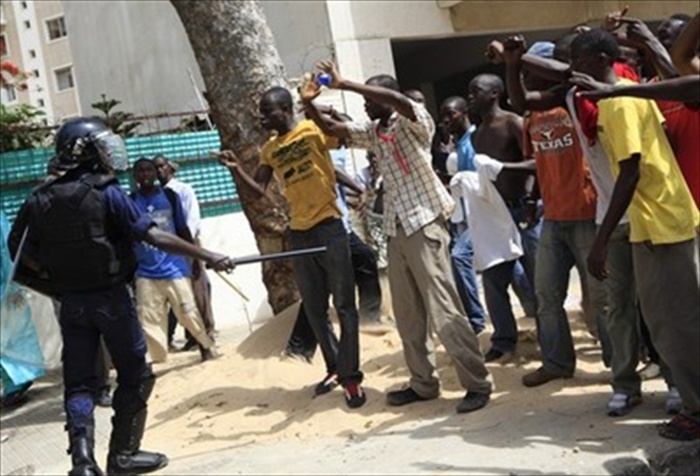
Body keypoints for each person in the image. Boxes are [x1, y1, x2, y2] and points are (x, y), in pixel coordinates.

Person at [8, 117, 235, 474]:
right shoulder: (106, 192)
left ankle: (82, 463)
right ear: (84, 151)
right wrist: (209, 256)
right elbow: (155, 236)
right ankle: (123, 454)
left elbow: (18, 257)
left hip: (72, 306)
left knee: (80, 384)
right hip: (112, 300)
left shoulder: (38, 199)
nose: (108, 152)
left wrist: (59, 289)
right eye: (101, 145)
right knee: (136, 376)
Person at [301, 62, 492, 414]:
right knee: (408, 316)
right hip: (396, 227)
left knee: (444, 309)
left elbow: (399, 102)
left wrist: (347, 84)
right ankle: (423, 383)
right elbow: (332, 127)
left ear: (386, 98)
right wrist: (309, 102)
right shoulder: (375, 131)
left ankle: (477, 383)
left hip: (424, 223)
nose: (365, 106)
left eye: (371, 100)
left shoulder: (414, 121)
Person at [571, 29, 699, 441]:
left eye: (580, 58)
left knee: (673, 324)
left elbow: (630, 172)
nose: (573, 66)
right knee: (673, 320)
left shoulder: (618, 101)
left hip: (661, 224)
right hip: (662, 218)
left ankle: (696, 412)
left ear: (600, 59)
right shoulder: (626, 92)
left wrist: (602, 240)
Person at [218, 86, 366, 409]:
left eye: (267, 110)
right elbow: (259, 191)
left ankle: (351, 376)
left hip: (329, 228)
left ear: (285, 110)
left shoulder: (312, 129)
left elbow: (341, 136)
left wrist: (313, 104)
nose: (262, 116)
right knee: (314, 307)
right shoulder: (270, 148)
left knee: (344, 304)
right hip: (300, 232)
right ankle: (334, 367)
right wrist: (236, 169)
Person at [500, 37, 611, 388]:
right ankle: (558, 362)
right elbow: (538, 161)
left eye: (533, 69)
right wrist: (533, 200)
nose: (529, 77)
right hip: (554, 218)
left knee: (603, 299)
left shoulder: (577, 101)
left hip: (589, 213)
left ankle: (619, 363)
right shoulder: (532, 113)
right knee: (546, 296)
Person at [467, 73, 541, 362]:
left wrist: (504, 168)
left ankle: (549, 340)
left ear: (495, 93)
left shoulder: (512, 123)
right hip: (496, 214)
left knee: (538, 279)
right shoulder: (476, 134)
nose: (471, 97)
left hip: (524, 209)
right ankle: (503, 340)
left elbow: (538, 163)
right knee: (494, 279)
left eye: (476, 92)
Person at [130, 158, 217, 364]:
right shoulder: (130, 201)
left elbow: (183, 229)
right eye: (140, 171)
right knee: (149, 319)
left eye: (149, 170)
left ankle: (205, 347)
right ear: (134, 176)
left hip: (174, 268)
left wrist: (195, 257)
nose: (145, 175)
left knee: (189, 311)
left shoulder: (170, 196)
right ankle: (155, 361)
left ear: (155, 173)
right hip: (145, 271)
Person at [152, 155, 216, 352]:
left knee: (197, 287)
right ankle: (186, 334)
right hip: (166, 246)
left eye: (161, 166)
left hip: (186, 241)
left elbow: (192, 218)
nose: (159, 171)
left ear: (170, 168)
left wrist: (188, 245)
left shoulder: (182, 190)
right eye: (156, 168)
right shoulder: (156, 194)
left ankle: (206, 332)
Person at [438, 96, 488, 335]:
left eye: (451, 115)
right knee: (504, 266)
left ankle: (476, 321)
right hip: (467, 215)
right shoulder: (457, 144)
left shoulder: (476, 139)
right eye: (443, 117)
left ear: (464, 112)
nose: (446, 121)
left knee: (459, 257)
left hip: (484, 214)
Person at [0, 210, 45, 409]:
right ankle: (17, 381)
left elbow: (7, 253)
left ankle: (17, 382)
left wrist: (13, 284)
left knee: (10, 338)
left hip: (5, 287)